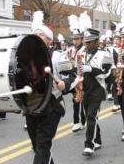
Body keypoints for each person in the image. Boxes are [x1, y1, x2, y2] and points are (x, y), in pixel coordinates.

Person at [26, 11, 75, 164]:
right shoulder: (25, 58)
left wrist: (64, 84)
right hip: (32, 106)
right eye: (35, 34)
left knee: (43, 147)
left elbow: (72, 75)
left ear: (49, 39)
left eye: (41, 34)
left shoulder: (57, 56)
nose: (37, 36)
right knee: (38, 147)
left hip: (52, 106)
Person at [76, 12, 112, 156]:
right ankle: (98, 139)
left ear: (96, 41)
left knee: (91, 116)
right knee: (90, 116)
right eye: (85, 41)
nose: (86, 44)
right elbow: (78, 71)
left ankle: (89, 145)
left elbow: (106, 73)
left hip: (98, 89)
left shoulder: (105, 54)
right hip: (85, 89)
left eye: (89, 41)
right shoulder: (82, 54)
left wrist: (91, 69)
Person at [67, 14, 86, 132]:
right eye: (74, 39)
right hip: (74, 78)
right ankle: (76, 122)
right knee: (75, 101)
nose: (75, 41)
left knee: (83, 101)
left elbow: (82, 65)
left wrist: (74, 64)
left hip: (83, 78)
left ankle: (83, 120)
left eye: (77, 39)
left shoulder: (84, 50)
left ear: (82, 39)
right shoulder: (71, 50)